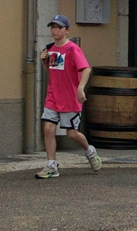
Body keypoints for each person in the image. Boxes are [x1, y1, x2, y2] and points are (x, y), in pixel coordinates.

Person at [36, 15, 103, 178]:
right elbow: (53, 72)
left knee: (72, 133)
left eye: (58, 27)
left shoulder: (72, 49)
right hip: (53, 96)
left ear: (67, 30)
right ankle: (51, 165)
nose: (55, 30)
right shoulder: (51, 49)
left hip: (70, 97)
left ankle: (90, 151)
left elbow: (85, 69)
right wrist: (44, 62)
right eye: (53, 27)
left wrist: (81, 88)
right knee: (48, 128)